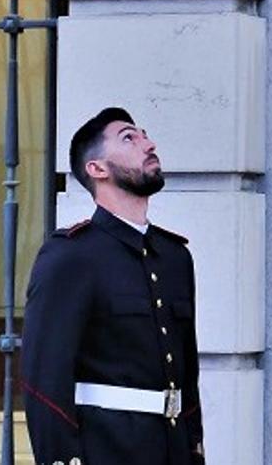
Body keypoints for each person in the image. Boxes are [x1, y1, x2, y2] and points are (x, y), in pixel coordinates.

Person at [21, 107, 205, 465]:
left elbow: (188, 374)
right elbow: (43, 378)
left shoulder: (174, 257)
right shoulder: (71, 256)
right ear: (97, 169)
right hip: (106, 449)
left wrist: (193, 447)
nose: (148, 144)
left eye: (144, 134)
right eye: (129, 138)